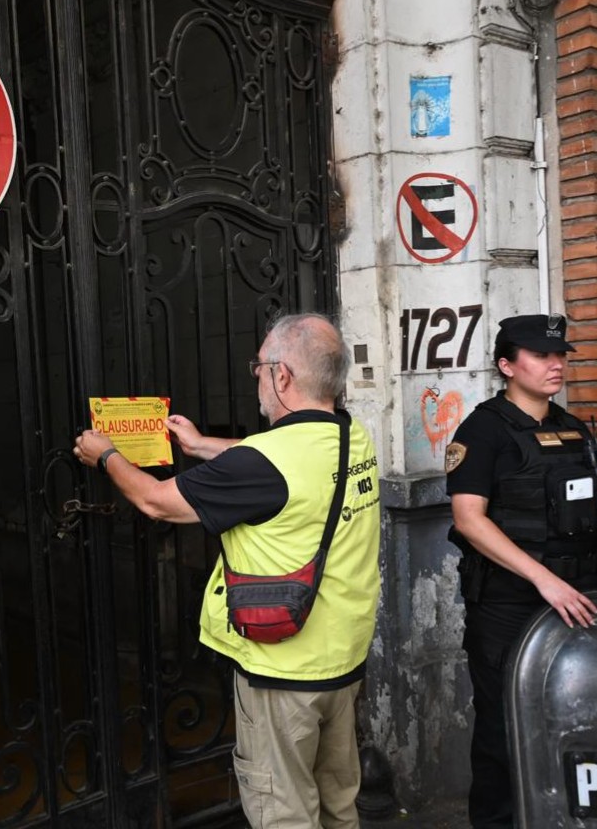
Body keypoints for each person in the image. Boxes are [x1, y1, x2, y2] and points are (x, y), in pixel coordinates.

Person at [74, 312, 381, 829]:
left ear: (283, 375)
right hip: (343, 663)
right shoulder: (354, 439)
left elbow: (155, 502)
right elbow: (280, 466)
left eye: (259, 367)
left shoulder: (267, 460)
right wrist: (198, 446)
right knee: (337, 806)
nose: (257, 378)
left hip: (283, 673)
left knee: (284, 812)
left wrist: (106, 457)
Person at [445, 313, 597, 828]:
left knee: (579, 720)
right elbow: (469, 520)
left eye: (560, 355)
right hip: (510, 607)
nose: (555, 364)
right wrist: (543, 579)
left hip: (580, 601)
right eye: (540, 355)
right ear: (507, 365)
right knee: (503, 733)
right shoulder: (483, 430)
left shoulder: (577, 429)